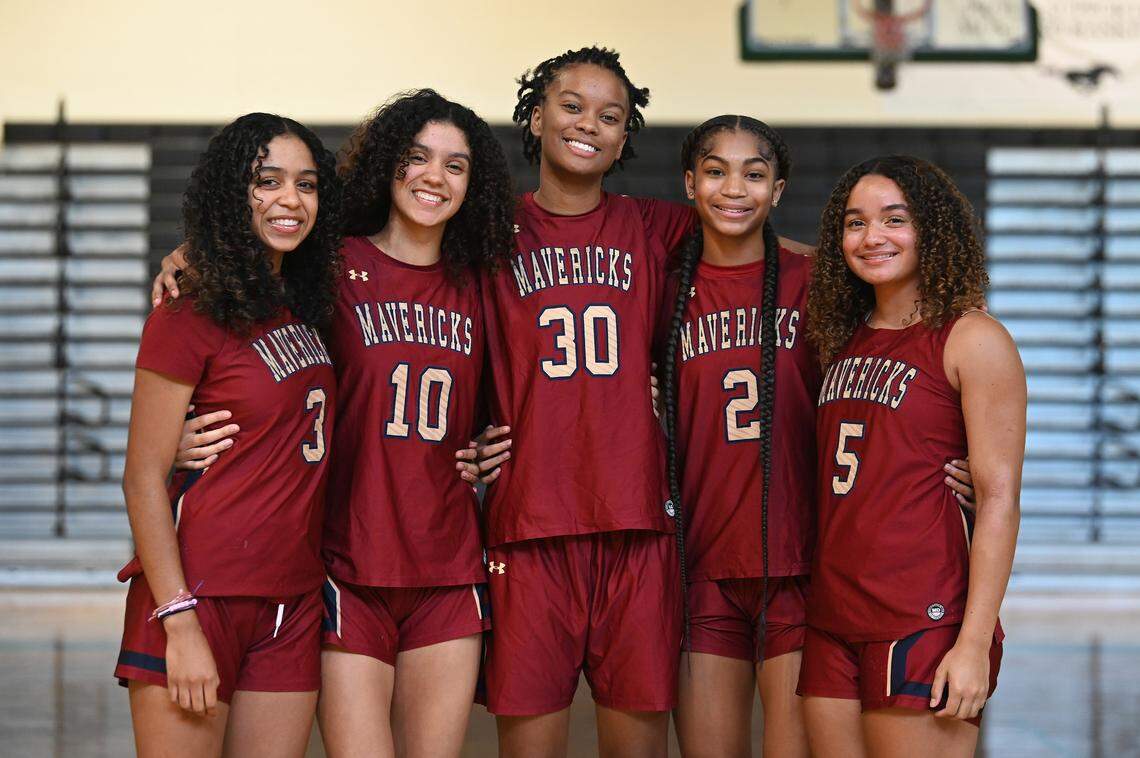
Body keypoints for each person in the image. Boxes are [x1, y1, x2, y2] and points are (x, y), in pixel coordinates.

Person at [146, 91, 515, 758]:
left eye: (455, 166)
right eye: (417, 157)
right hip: (345, 558)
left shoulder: (484, 283)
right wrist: (185, 254)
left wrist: (495, 443)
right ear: (387, 164)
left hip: (447, 558)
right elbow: (245, 269)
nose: (434, 176)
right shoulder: (332, 267)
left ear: (476, 184)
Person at [114, 112, 341, 758]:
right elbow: (141, 477)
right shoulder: (187, 311)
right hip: (197, 595)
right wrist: (178, 619)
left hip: (291, 601)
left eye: (305, 184)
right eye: (267, 181)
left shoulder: (304, 304)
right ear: (231, 193)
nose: (290, 199)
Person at [799, 155, 1023, 757]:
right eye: (855, 223)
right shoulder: (842, 338)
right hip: (833, 614)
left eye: (894, 219)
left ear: (932, 229)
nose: (872, 236)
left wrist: (972, 643)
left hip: (923, 615)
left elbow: (1000, 500)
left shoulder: (972, 338)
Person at [659, 115, 815, 758]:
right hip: (701, 568)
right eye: (716, 171)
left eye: (754, 174)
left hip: (800, 564)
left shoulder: (819, 281)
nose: (733, 188)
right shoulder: (663, 288)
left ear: (777, 190)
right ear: (690, 183)